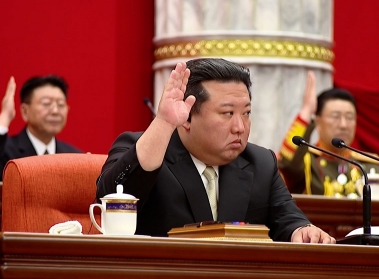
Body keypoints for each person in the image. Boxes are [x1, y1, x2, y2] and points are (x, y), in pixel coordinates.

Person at [96, 59, 335, 243]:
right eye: (227, 113)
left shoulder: (260, 162)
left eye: (247, 113)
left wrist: (302, 230)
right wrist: (164, 123)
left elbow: (288, 218)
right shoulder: (144, 149)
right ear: (188, 118)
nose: (240, 127)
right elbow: (111, 196)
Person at [278, 72, 379, 197]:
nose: (343, 125)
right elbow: (286, 163)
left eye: (349, 117)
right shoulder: (307, 161)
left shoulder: (369, 164)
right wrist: (306, 111)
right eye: (335, 116)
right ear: (318, 122)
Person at [0, 75, 82, 181]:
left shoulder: (74, 157)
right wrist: (5, 117)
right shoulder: (6, 151)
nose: (55, 111)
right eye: (46, 103)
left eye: (61, 104)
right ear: (25, 111)